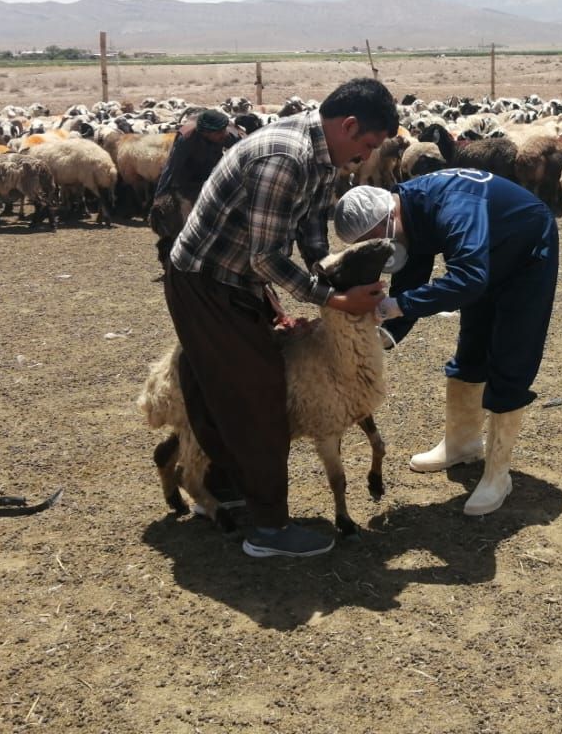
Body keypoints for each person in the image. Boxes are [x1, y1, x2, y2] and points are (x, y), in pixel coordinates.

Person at [164, 77, 399, 559]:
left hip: (237, 280)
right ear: (348, 126)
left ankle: (223, 487)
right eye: (368, 145)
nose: (366, 158)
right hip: (208, 282)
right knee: (261, 394)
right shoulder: (285, 158)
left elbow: (311, 230)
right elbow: (266, 257)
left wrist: (330, 279)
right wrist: (334, 301)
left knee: (224, 383)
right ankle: (268, 529)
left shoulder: (322, 158)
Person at [333, 169, 558, 516]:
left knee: (512, 354)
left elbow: (468, 279)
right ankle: (462, 444)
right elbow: (412, 278)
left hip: (526, 253)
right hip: (483, 258)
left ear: (388, 217)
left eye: (374, 240)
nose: (377, 251)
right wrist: (382, 335)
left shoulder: (454, 205)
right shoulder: (407, 214)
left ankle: (498, 474)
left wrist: (397, 306)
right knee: (472, 347)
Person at [150, 108, 240, 273]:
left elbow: (243, 152)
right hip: (186, 182)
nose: (223, 135)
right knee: (186, 223)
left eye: (223, 130)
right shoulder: (186, 139)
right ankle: (178, 262)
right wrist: (159, 197)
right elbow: (172, 168)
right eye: (218, 133)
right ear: (205, 133)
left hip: (211, 178)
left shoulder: (226, 135)